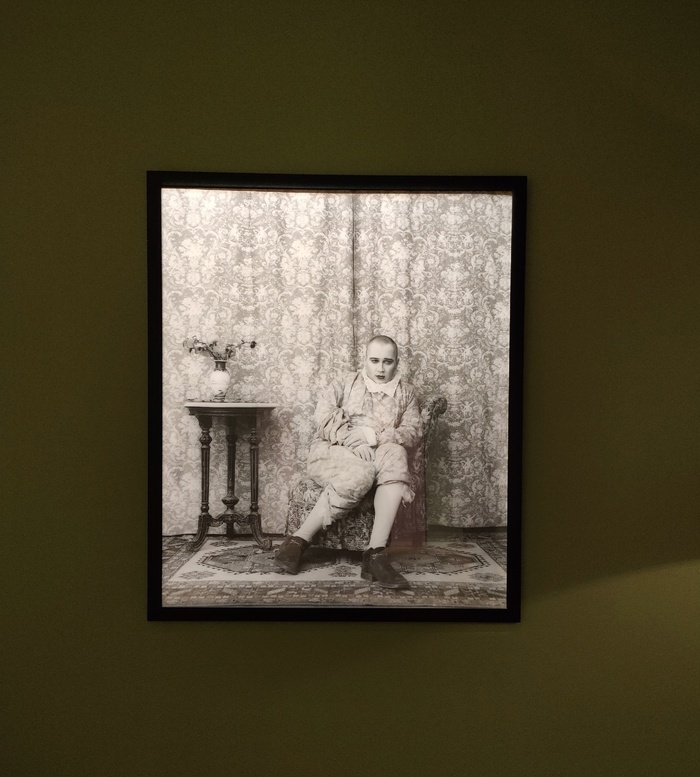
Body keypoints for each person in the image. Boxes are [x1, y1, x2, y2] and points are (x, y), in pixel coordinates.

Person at [275, 335, 422, 589]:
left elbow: (412, 431)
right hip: (335, 449)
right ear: (364, 360)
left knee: (397, 455)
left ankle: (375, 554)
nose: (380, 368)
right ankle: (298, 540)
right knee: (361, 472)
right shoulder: (344, 382)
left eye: (387, 362)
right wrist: (354, 441)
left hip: (380, 448)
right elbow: (323, 417)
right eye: (374, 360)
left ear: (397, 363)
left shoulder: (406, 392)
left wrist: (373, 437)